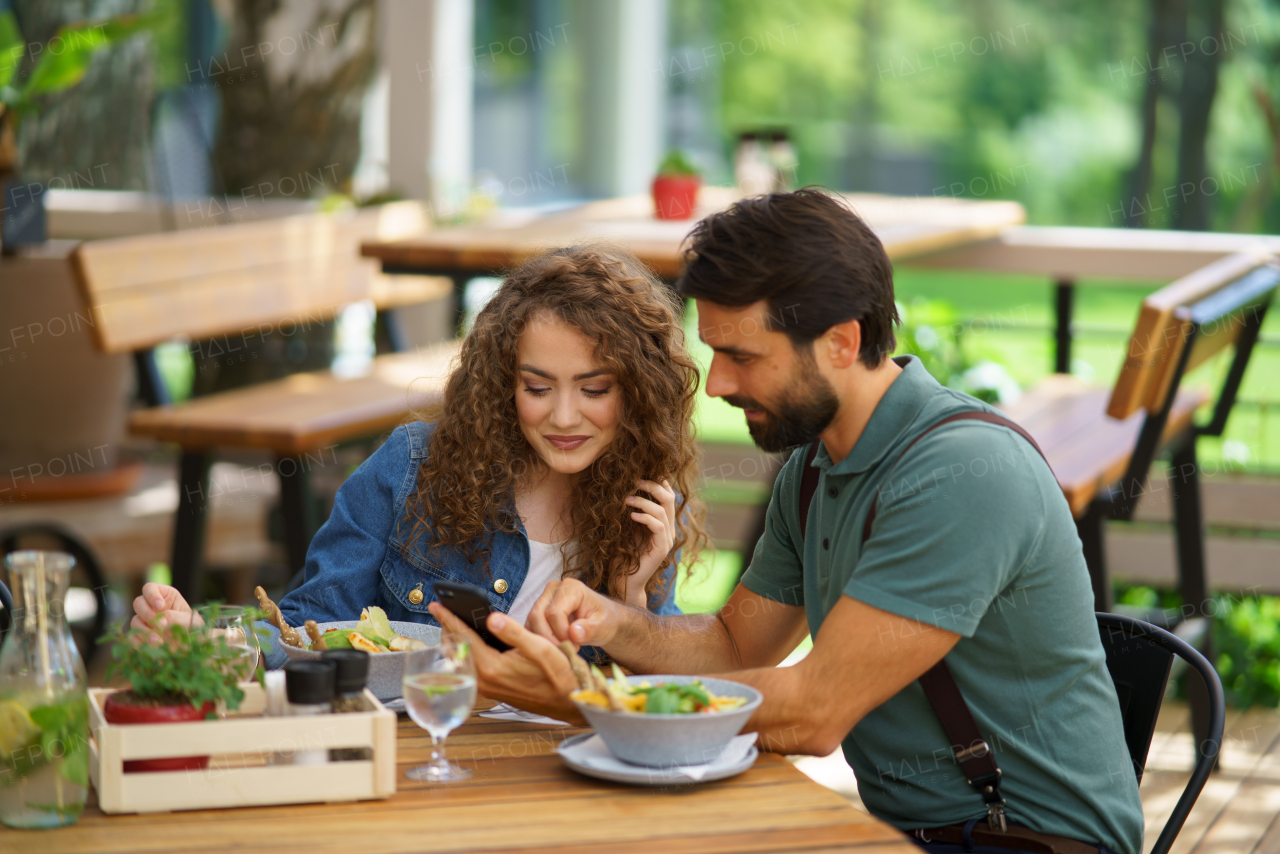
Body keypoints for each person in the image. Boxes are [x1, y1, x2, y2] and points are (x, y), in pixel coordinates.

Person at [430, 190, 1143, 854]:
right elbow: (738, 646)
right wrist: (613, 623)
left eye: (743, 356)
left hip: (1024, 841)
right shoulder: (815, 467)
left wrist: (589, 700)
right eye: (714, 351)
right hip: (905, 832)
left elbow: (813, 712)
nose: (720, 384)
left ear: (840, 341)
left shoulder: (960, 476)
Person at [131, 246, 708, 669]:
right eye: (537, 388)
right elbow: (310, 625)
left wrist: (632, 597)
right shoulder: (412, 468)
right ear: (503, 383)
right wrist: (205, 641)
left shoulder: (649, 508)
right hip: (424, 752)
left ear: (638, 390)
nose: (562, 416)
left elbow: (649, 706)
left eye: (594, 390)